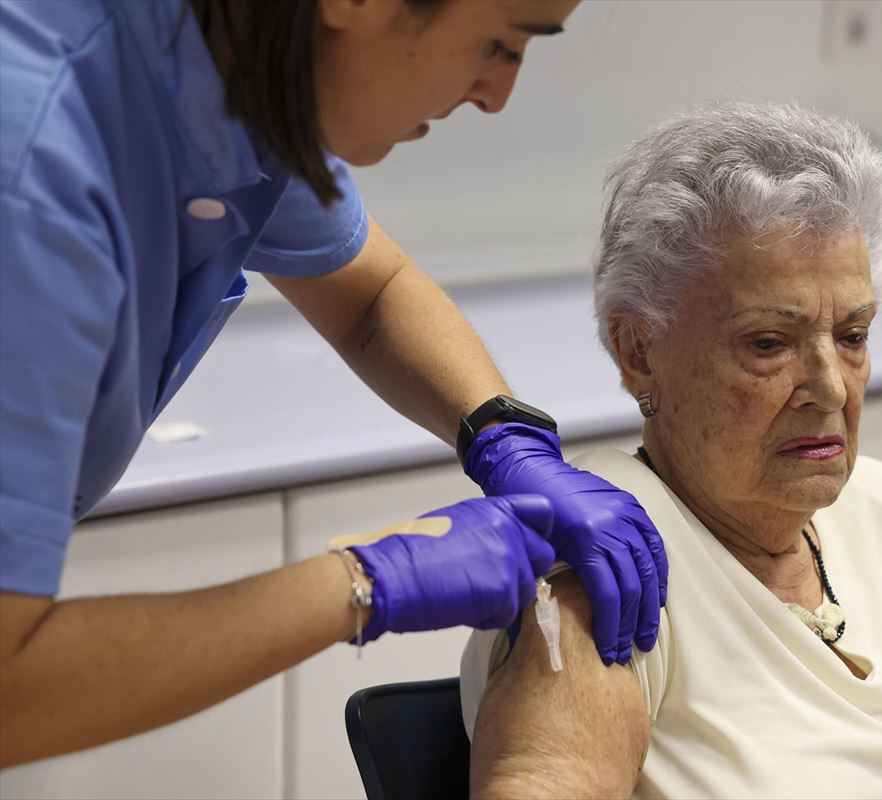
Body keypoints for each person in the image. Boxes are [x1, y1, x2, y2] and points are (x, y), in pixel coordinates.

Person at [0, 0, 667, 769]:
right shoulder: (35, 178)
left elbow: (371, 294)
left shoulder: (238, 83)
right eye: (500, 42)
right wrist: (361, 581)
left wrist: (503, 435)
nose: (496, 94)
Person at [460, 103, 882, 799]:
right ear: (638, 349)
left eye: (853, 336)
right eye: (769, 343)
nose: (829, 388)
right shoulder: (608, 567)